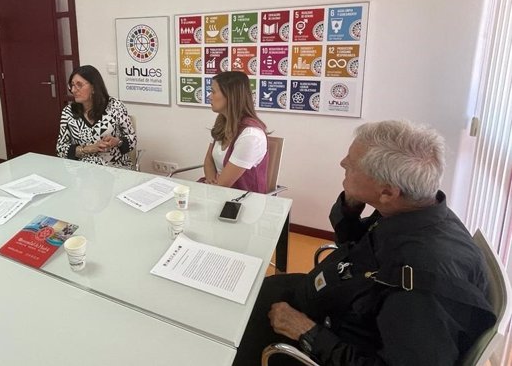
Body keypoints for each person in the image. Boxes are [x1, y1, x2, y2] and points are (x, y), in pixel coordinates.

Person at [233, 120, 495, 366]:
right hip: (336, 300)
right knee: (249, 293)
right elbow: (358, 246)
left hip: (330, 339)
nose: (342, 162)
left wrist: (307, 332)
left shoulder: (424, 280)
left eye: (352, 165)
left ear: (387, 192)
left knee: (230, 338)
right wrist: (350, 207)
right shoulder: (416, 209)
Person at [56, 65, 137, 168]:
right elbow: (60, 149)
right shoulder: (68, 112)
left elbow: (132, 139)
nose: (73, 90)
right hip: (82, 171)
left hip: (115, 168)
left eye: (79, 85)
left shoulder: (115, 106)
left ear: (94, 87)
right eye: (71, 85)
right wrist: (87, 149)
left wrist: (118, 141)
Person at [204, 71, 269, 193]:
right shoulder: (222, 122)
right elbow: (208, 160)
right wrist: (210, 182)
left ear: (230, 95)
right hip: (217, 191)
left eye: (213, 92)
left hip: (243, 200)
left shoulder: (251, 136)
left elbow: (224, 185)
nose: (209, 96)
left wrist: (212, 187)